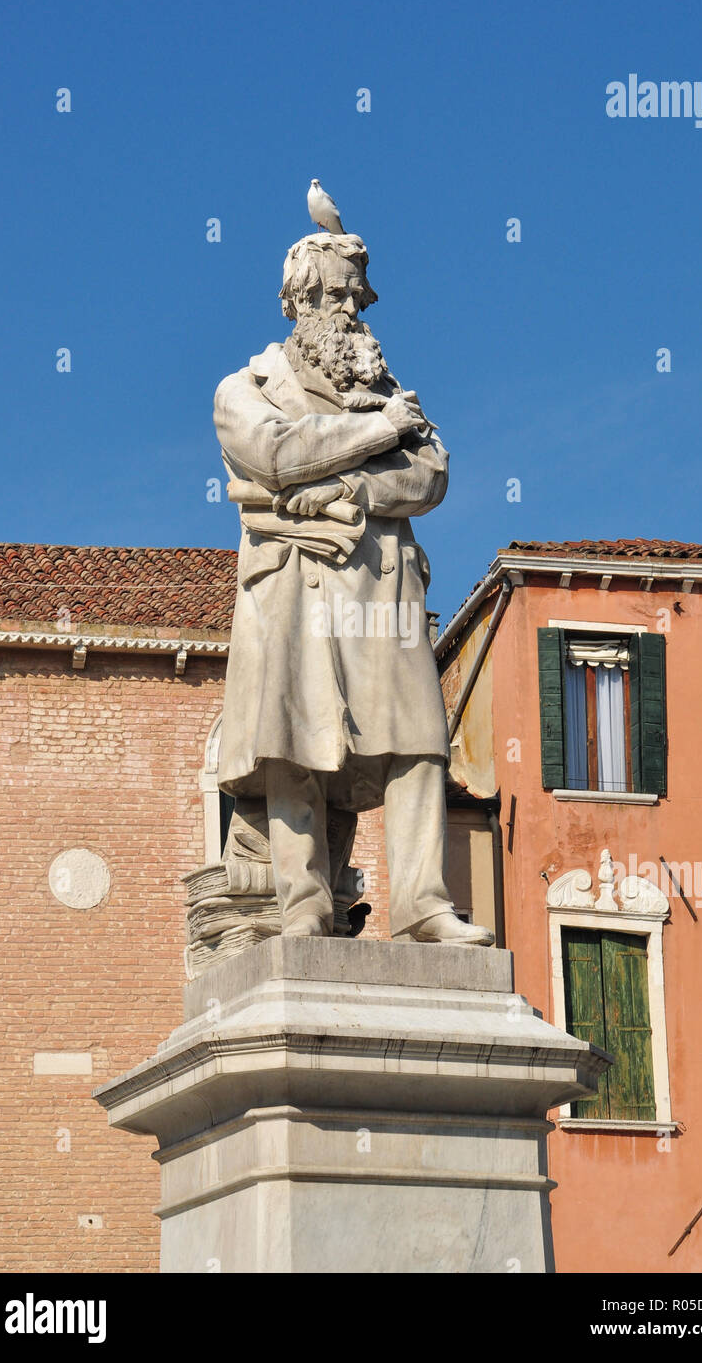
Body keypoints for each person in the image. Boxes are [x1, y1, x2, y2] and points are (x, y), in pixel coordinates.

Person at [213, 232, 493, 946]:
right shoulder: (245, 390)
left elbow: (429, 476)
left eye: (353, 295)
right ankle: (303, 904)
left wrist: (341, 485)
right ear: (297, 300)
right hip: (293, 589)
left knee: (418, 737)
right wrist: (378, 433)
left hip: (382, 585)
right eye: (331, 294)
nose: (346, 307)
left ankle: (425, 904)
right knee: (295, 737)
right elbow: (275, 455)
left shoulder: (389, 390)